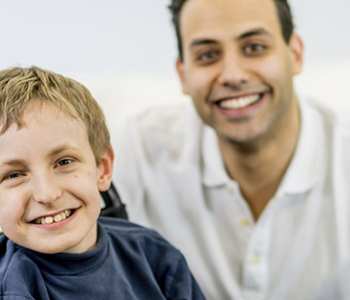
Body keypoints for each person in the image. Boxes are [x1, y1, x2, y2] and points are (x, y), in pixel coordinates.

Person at [112, 0, 350, 299]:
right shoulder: (139, 149)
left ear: (296, 54)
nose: (232, 75)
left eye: (254, 48)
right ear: (183, 73)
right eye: (208, 55)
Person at [0, 66, 205, 300]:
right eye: (14, 175)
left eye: (64, 162)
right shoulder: (11, 289)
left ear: (103, 168)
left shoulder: (156, 256)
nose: (47, 194)